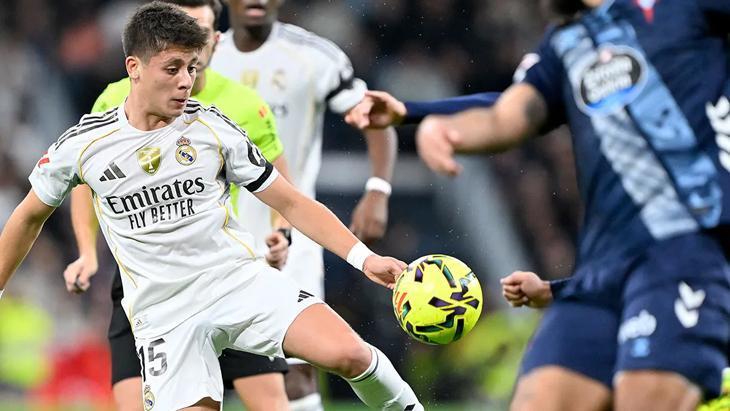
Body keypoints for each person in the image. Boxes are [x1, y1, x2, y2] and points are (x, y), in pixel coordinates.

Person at [0, 3, 423, 410]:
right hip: (165, 317)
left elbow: (291, 202)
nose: (186, 81)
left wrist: (365, 259)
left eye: (191, 68)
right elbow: (28, 217)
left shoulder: (212, 128)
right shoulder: (85, 144)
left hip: (236, 283)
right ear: (134, 68)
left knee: (350, 353)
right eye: (172, 69)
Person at [350, 0, 730, 410]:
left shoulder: (685, 8)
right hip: (600, 273)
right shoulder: (565, 43)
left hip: (687, 248)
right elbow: (507, 115)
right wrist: (427, 120)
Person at [60, 1, 293, 410]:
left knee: (270, 402)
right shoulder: (115, 98)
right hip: (145, 281)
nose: (191, 42)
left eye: (199, 30)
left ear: (215, 40)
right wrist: (86, 252)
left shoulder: (242, 103)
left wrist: (282, 231)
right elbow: (84, 177)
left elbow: (280, 179)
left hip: (223, 271)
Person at [210, 2, 400, 409]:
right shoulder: (201, 57)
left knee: (296, 369)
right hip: (214, 238)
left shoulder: (315, 57)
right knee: (202, 377)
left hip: (292, 232)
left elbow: (376, 117)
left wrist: (378, 189)